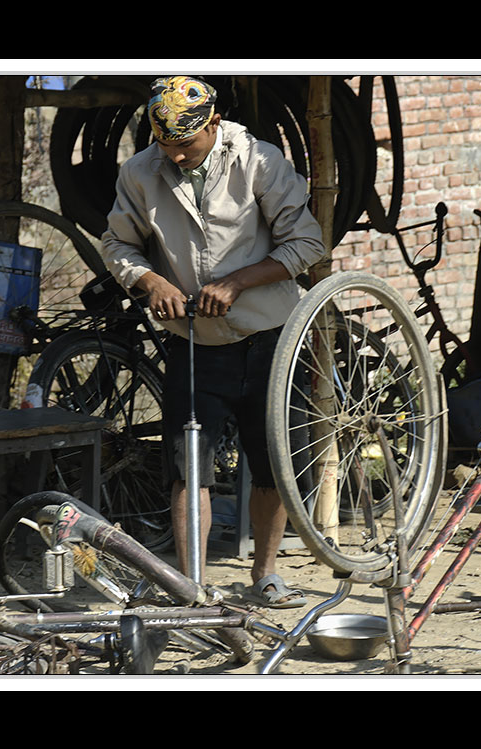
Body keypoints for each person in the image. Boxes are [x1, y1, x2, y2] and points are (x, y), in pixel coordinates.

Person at [100, 76, 326, 608]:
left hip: (269, 336)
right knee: (189, 464)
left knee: (272, 462)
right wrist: (148, 280)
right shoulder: (139, 173)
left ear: (214, 124)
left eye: (188, 144)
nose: (177, 156)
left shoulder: (261, 162)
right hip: (194, 342)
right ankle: (190, 585)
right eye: (166, 145)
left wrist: (238, 282)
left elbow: (308, 242)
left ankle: (266, 575)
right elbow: (118, 243)